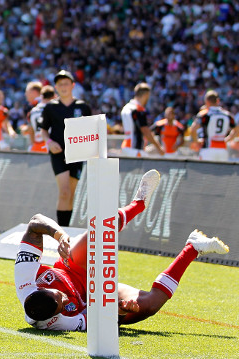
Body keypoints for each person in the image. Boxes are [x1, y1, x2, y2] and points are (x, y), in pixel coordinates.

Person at [15, 170, 229, 331]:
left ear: (38, 289)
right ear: (55, 316)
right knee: (149, 305)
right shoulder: (63, 322)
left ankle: (139, 203)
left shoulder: (25, 281)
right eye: (63, 302)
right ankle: (193, 248)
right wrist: (119, 310)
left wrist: (60, 236)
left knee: (105, 227)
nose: (64, 297)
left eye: (58, 293)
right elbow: (101, 320)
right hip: (92, 295)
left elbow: (35, 223)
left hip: (72, 266)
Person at [38, 70, 92, 227]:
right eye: (60, 84)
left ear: (73, 85)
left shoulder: (83, 107)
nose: (63, 87)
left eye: (66, 83)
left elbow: (91, 130)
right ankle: (60, 232)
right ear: (55, 87)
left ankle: (66, 230)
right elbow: (43, 130)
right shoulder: (50, 107)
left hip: (77, 154)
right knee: (64, 191)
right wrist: (49, 142)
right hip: (58, 153)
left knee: (71, 193)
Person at [189, 90, 237, 162]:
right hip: (222, 149)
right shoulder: (227, 114)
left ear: (206, 101)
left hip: (208, 149)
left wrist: (196, 142)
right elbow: (237, 130)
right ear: (218, 101)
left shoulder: (205, 114)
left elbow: (193, 129)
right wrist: (227, 139)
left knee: (205, 172)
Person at [120, 83, 165, 157]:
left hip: (126, 147)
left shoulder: (126, 107)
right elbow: (145, 130)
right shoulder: (138, 109)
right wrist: (158, 147)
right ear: (146, 95)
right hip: (136, 149)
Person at [23, 85, 55, 153]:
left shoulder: (32, 110)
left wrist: (32, 144)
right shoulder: (54, 109)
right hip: (50, 143)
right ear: (53, 96)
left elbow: (30, 129)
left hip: (37, 144)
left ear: (42, 96)